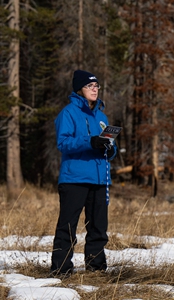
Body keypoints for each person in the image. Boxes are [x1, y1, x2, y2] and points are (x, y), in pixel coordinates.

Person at [50, 70, 117, 277]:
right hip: (74, 178)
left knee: (98, 227)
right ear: (80, 89)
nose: (95, 89)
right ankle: (61, 270)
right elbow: (63, 143)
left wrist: (110, 147)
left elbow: (109, 149)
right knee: (68, 226)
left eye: (97, 86)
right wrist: (89, 141)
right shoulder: (68, 113)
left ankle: (96, 269)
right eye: (90, 86)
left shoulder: (101, 116)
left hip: (99, 178)